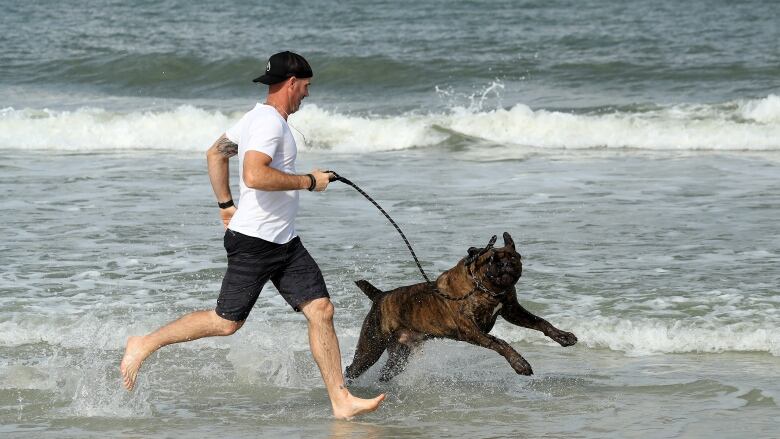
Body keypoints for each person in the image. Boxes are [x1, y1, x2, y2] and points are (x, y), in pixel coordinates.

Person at [120, 51, 385, 419]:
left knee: (321, 310)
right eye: (306, 87)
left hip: (284, 241)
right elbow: (255, 175)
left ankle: (341, 400)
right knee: (225, 322)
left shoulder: (255, 118)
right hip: (256, 243)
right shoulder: (269, 124)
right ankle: (144, 343)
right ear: (291, 83)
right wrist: (309, 182)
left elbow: (215, 153)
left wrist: (225, 205)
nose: (307, 95)